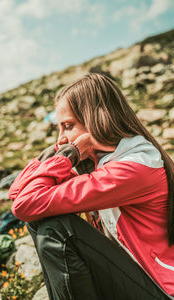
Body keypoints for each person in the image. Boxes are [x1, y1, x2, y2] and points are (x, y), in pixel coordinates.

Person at [9, 73, 174, 300]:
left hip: (161, 291)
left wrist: (70, 154)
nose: (60, 138)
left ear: (97, 120)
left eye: (68, 126)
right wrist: (51, 155)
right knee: (40, 222)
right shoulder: (100, 161)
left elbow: (26, 204)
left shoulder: (134, 167)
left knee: (57, 230)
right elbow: (18, 193)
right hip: (136, 279)